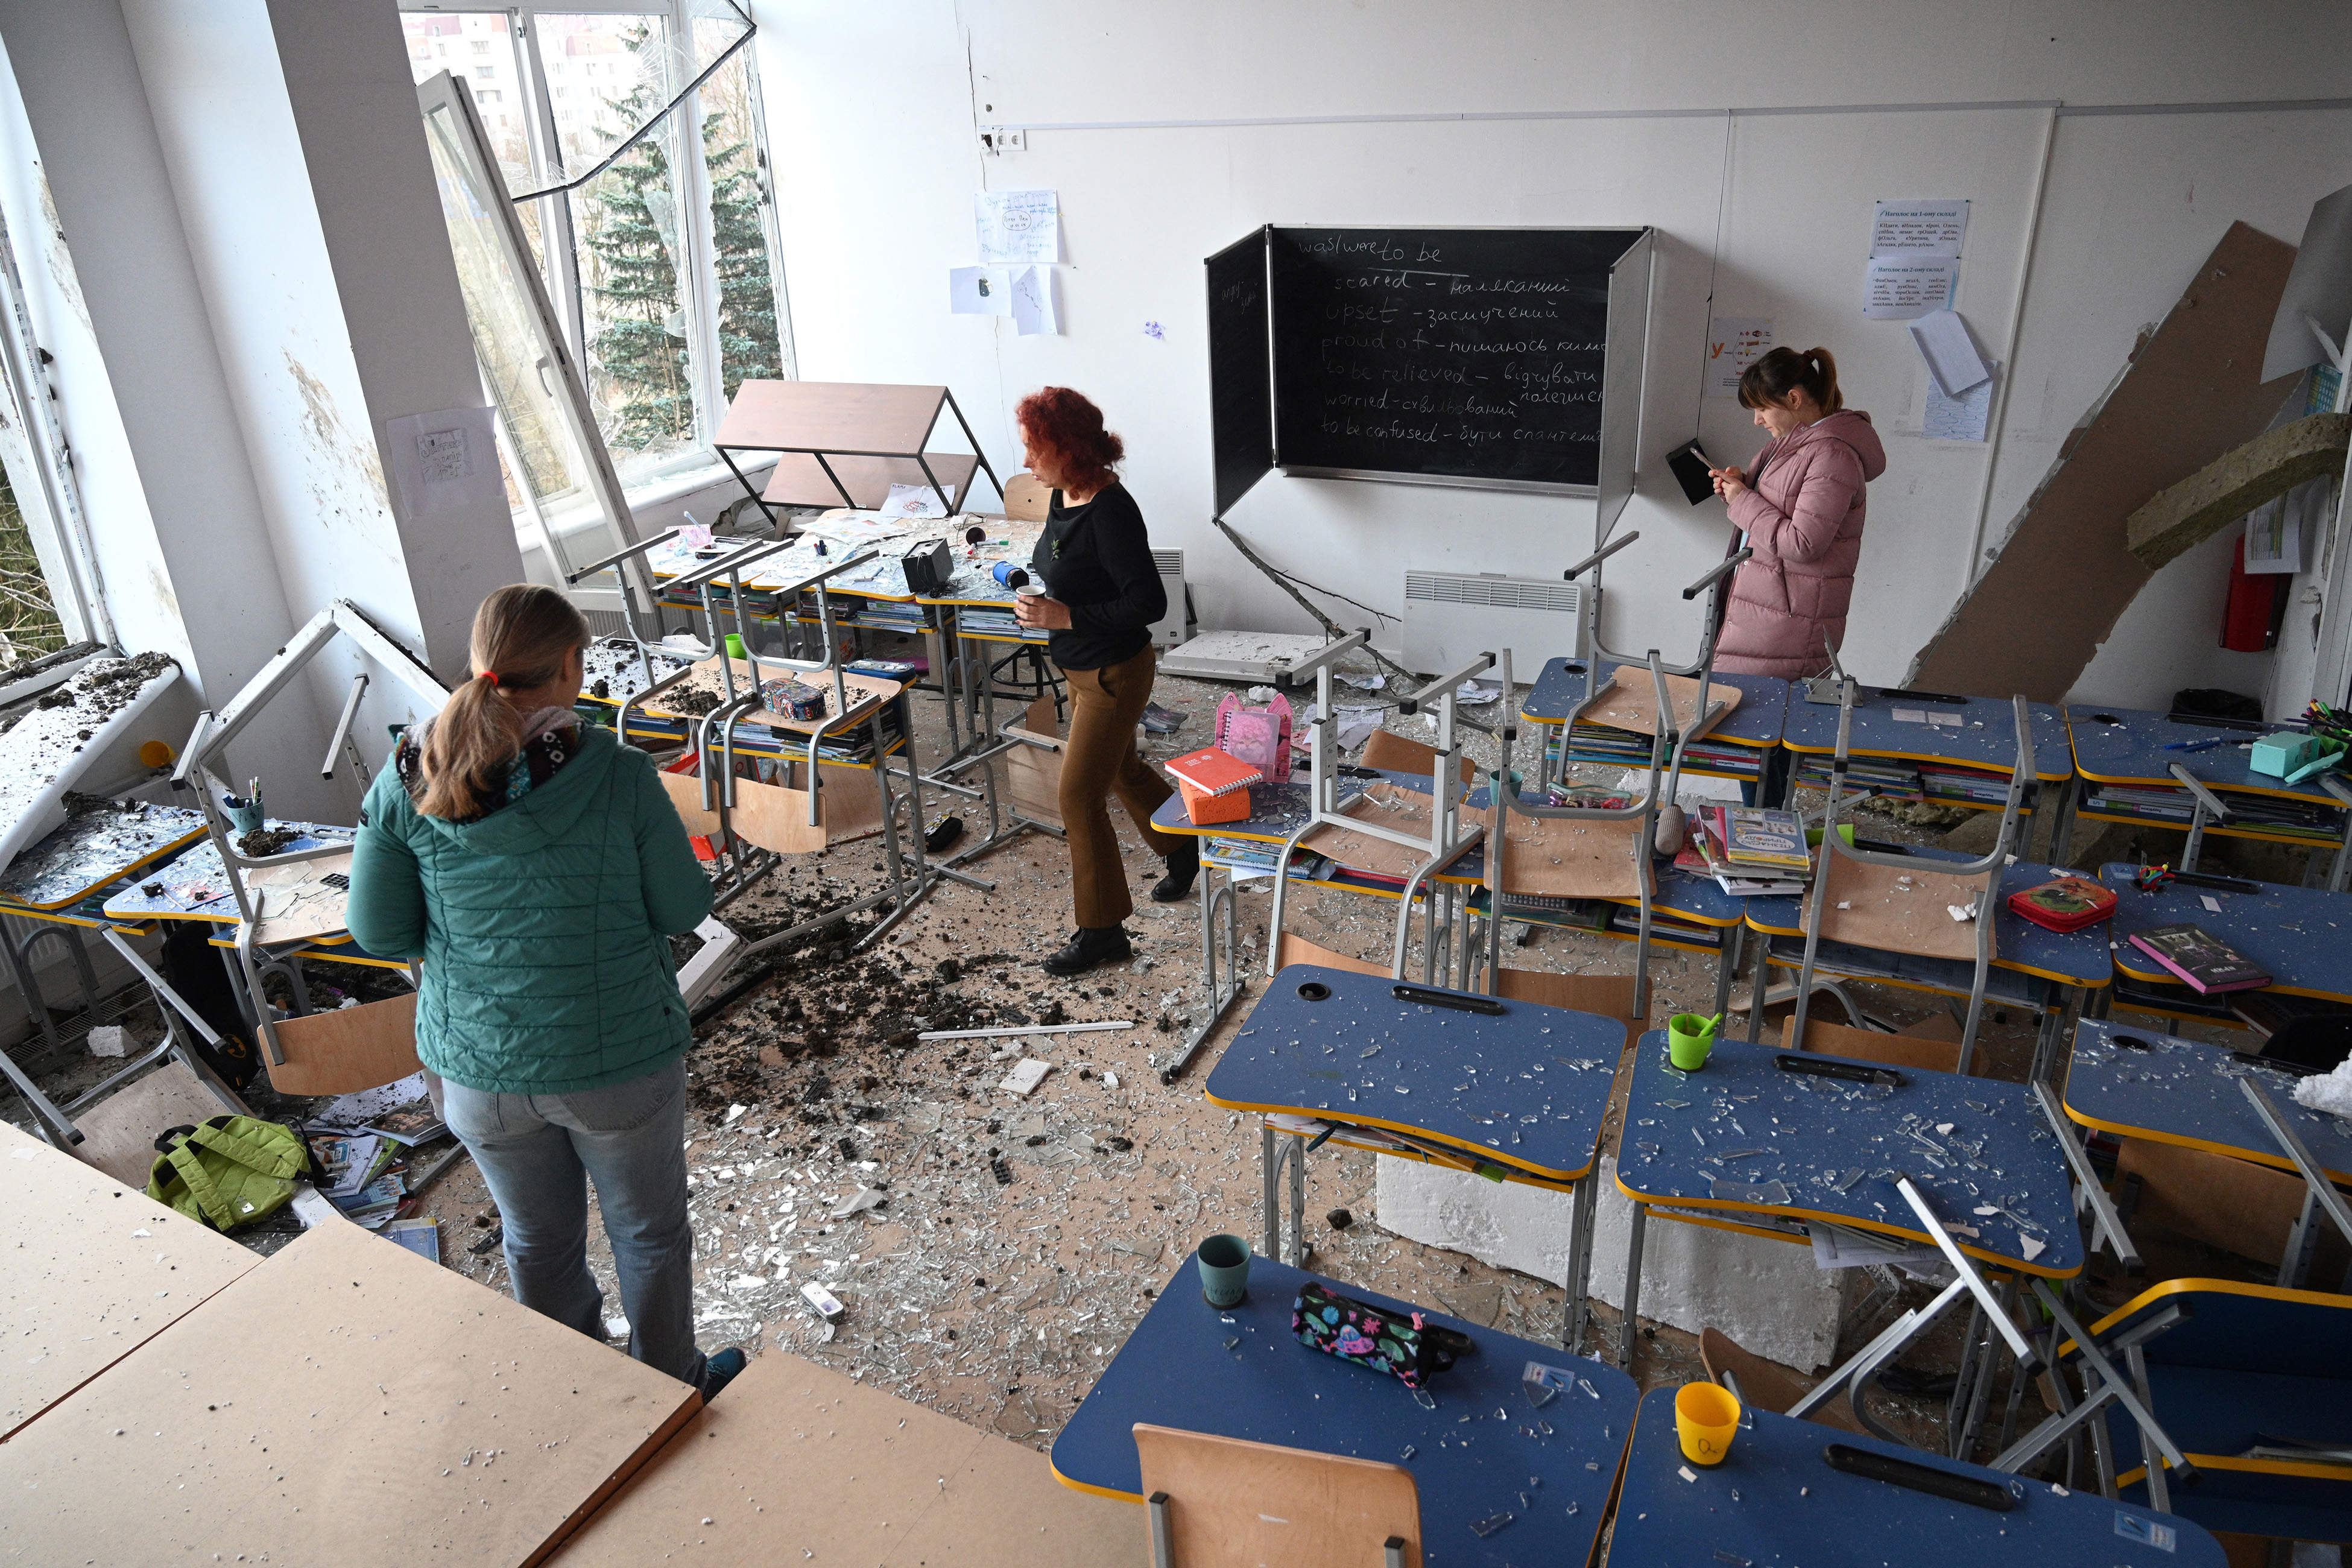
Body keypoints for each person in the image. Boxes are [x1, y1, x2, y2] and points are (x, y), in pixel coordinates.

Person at [346, 584, 745, 1402]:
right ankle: (672, 1388)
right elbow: (682, 907)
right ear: (568, 666)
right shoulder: (617, 774)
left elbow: (380, 934)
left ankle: (575, 1396)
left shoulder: (406, 776)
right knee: (649, 1234)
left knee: (535, 1238)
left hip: (480, 1070)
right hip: (618, 1062)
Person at [1009, 386, 1197, 976]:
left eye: (1033, 449)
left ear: (1067, 448)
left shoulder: (1113, 511)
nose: (1025, 462)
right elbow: (1063, 559)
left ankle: (1102, 930)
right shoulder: (1064, 492)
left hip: (1114, 671)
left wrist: (1066, 615)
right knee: (1117, 769)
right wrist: (1042, 595)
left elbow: (1150, 601)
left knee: (1077, 794)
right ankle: (1183, 843)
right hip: (1079, 662)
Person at [1707, 346, 1886, 680]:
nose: (1757, 419)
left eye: (1762, 408)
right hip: (1767, 609)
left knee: (1754, 721)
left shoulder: (1833, 455)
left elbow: (1803, 543)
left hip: (1789, 622)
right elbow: (1785, 504)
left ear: (1793, 398)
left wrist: (1743, 499)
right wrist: (1744, 485)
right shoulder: (1793, 443)